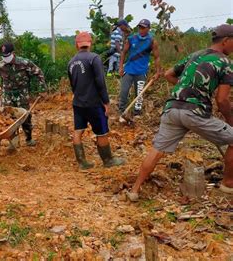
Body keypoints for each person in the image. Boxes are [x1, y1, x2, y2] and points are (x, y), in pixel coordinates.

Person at [127, 24, 233, 201]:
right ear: (226, 41)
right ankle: (228, 184)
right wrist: (230, 119)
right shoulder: (225, 62)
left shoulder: (195, 55)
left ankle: (135, 190)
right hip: (195, 113)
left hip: (172, 109)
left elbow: (169, 74)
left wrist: (185, 90)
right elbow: (222, 100)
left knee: (157, 149)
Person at [68, 32, 125, 169]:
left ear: (77, 45)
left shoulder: (71, 62)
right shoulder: (94, 58)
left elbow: (72, 84)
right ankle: (108, 160)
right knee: (102, 131)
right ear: (90, 43)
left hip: (78, 103)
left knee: (78, 130)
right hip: (94, 103)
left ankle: (82, 163)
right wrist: (106, 102)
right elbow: (100, 82)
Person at [0, 42, 46, 147]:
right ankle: (13, 142)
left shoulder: (24, 63)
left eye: (7, 56)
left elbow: (39, 73)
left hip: (21, 94)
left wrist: (42, 88)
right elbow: (3, 80)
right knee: (8, 119)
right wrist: (2, 93)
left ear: (13, 53)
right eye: (3, 56)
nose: (5, 58)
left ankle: (29, 139)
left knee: (25, 117)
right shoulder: (0, 65)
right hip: (7, 95)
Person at [119, 19, 161, 119]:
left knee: (139, 94)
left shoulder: (152, 41)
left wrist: (158, 72)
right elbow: (123, 52)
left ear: (148, 28)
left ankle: (137, 113)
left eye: (143, 28)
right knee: (124, 92)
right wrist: (121, 67)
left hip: (142, 71)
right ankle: (122, 111)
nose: (141, 30)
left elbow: (157, 57)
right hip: (129, 70)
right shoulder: (131, 39)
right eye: (140, 27)